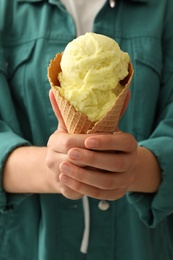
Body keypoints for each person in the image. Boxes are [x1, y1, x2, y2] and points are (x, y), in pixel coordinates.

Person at [0, 0, 173, 259]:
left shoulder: (164, 8)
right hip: (30, 246)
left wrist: (136, 169)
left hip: (140, 246)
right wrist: (51, 169)